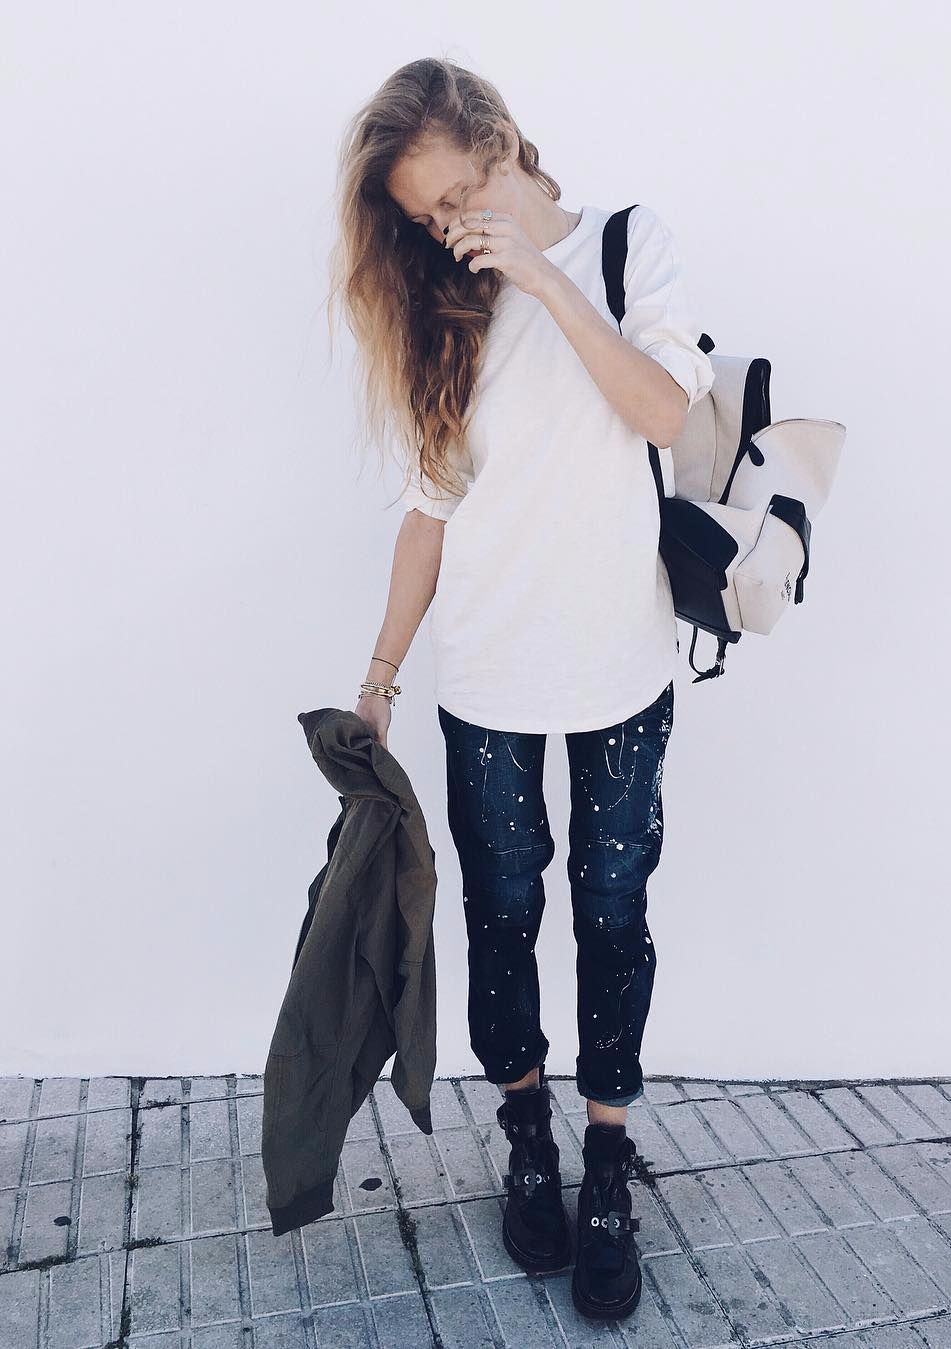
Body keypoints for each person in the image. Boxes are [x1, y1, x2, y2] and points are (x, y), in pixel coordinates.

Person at [328, 56, 714, 1320]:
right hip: (488, 675)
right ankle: (528, 1137)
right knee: (500, 915)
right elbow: (428, 516)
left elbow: (663, 413)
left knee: (612, 912)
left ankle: (606, 1159)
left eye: (456, 196)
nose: (449, 229)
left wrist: (544, 276)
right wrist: (380, 677)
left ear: (499, 141)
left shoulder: (627, 246)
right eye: (425, 216)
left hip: (621, 668)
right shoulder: (448, 304)